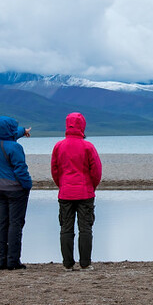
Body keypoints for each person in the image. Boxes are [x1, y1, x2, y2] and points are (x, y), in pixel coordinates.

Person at [50, 112, 102, 271]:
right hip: (85, 192)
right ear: (82, 126)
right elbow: (96, 171)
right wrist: (91, 187)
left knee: (66, 228)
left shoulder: (59, 146)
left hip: (66, 192)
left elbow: (55, 169)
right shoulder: (88, 146)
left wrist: (62, 185)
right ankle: (85, 263)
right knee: (85, 228)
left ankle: (68, 264)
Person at [0, 115, 32, 271]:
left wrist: (23, 131)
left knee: (3, 224)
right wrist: (28, 185)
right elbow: (21, 169)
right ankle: (13, 261)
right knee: (16, 224)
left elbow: (9, 134)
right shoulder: (15, 148)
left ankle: (2, 260)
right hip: (16, 190)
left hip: (1, 188)